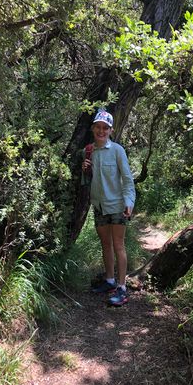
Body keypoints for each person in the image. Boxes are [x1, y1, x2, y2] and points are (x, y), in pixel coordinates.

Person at [82, 109, 136, 306]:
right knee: (105, 245)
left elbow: (128, 181)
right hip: (99, 206)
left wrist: (129, 203)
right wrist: (85, 171)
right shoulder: (89, 150)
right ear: (93, 128)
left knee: (118, 245)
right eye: (98, 127)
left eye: (105, 128)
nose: (101, 131)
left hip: (118, 206)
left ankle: (122, 288)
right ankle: (110, 280)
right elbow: (88, 181)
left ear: (111, 130)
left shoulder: (117, 151)